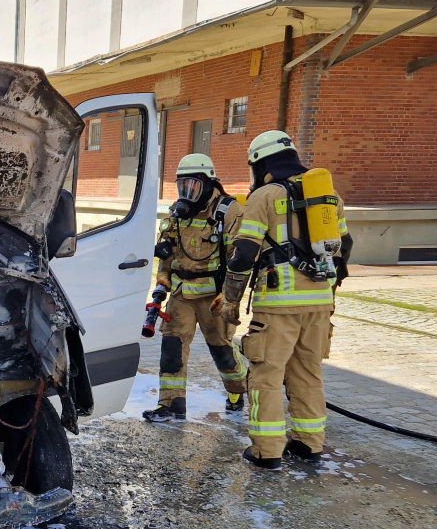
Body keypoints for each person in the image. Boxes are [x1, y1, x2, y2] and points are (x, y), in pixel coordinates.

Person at [213, 131, 353, 470]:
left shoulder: (264, 196)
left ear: (261, 164)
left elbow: (244, 254)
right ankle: (308, 445)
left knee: (266, 376)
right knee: (308, 373)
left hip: (277, 306)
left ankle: (267, 451)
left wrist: (231, 300)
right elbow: (344, 249)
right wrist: (328, 294)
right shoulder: (329, 196)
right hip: (319, 304)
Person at [143, 153, 249, 422]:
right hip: (181, 295)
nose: (186, 192)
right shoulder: (177, 212)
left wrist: (229, 297)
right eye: (182, 185)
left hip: (214, 297)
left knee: (222, 352)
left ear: (208, 182)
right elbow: (168, 254)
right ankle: (171, 405)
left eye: (192, 185)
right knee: (172, 349)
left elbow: (239, 257)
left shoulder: (228, 211)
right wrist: (162, 281)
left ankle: (237, 391)